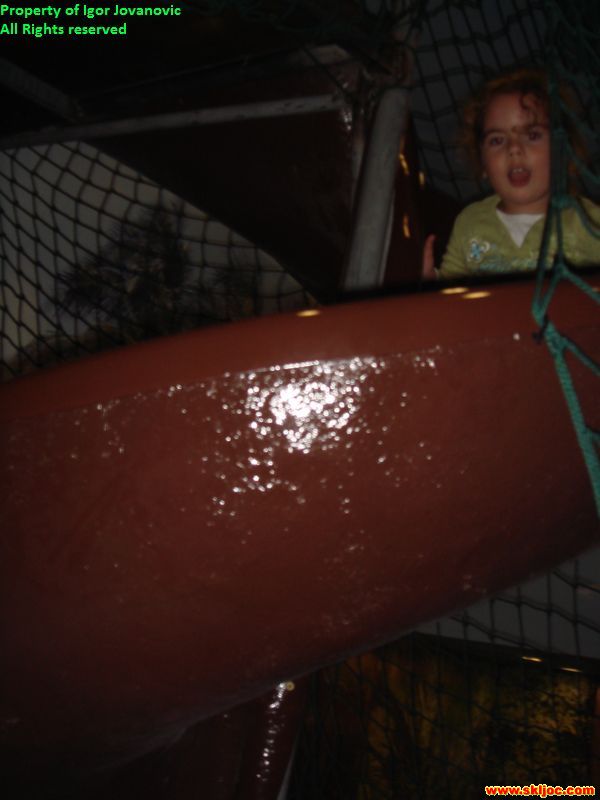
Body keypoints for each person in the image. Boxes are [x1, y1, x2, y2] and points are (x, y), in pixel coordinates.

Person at [422, 68, 600, 281]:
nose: (514, 149)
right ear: (482, 162)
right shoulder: (470, 223)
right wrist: (430, 282)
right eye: (497, 140)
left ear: (563, 149)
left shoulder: (589, 222)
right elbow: (451, 291)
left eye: (532, 135)